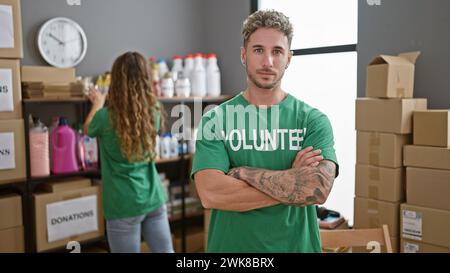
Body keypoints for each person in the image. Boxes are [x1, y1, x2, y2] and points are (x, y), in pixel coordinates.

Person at [191, 10, 339, 253]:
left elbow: (317, 188)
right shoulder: (215, 120)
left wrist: (244, 174)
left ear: (289, 58)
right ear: (243, 55)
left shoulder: (313, 120)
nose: (268, 61)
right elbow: (211, 194)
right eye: (258, 50)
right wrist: (292, 180)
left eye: (277, 51)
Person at [84, 52, 173, 253]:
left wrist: (98, 103)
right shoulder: (154, 111)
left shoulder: (105, 117)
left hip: (122, 204)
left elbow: (88, 129)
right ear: (145, 79)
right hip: (153, 198)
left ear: (116, 81)